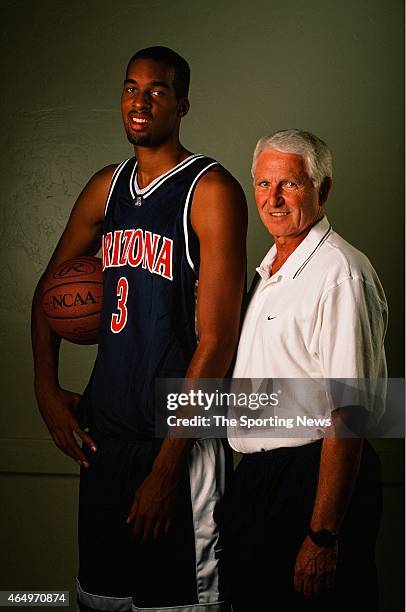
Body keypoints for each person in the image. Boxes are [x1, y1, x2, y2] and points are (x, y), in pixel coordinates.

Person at [31, 46, 247, 611]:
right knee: (100, 599)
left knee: (177, 604)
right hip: (108, 434)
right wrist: (46, 390)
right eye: (131, 88)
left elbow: (219, 341)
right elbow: (47, 292)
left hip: (176, 443)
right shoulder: (106, 186)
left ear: (182, 105)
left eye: (157, 90)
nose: (140, 100)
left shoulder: (210, 191)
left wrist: (166, 469)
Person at [225, 129, 387, 611]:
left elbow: (351, 414)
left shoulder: (341, 274)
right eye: (262, 184)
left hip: (311, 482)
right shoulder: (269, 271)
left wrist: (322, 534)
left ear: (324, 189)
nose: (273, 199)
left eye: (290, 185)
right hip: (258, 481)